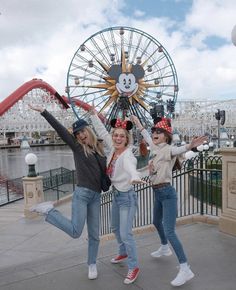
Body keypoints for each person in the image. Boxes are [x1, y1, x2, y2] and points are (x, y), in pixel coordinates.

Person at [28, 104, 107, 281]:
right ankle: (49, 211)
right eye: (78, 134)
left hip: (96, 196)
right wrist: (44, 112)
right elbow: (61, 130)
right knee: (75, 232)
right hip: (82, 193)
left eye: (83, 131)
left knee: (95, 234)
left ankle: (92, 263)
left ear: (88, 130)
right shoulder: (78, 148)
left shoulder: (100, 149)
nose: (81, 135)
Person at [131, 115, 207, 287]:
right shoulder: (154, 148)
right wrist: (137, 123)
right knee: (156, 221)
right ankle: (164, 247)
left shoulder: (168, 149)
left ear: (166, 135)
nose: (155, 134)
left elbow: (179, 150)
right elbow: (145, 134)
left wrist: (190, 145)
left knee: (170, 230)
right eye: (154, 131)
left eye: (159, 132)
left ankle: (185, 268)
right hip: (157, 192)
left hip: (167, 193)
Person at [90, 111, 145, 285]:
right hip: (116, 194)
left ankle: (134, 266)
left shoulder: (127, 155)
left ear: (127, 139)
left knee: (126, 234)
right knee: (115, 227)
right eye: (116, 135)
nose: (118, 138)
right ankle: (123, 252)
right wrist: (93, 115)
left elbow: (131, 167)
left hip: (127, 198)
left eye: (122, 136)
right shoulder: (113, 149)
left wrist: (135, 176)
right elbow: (102, 132)